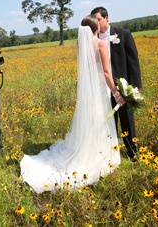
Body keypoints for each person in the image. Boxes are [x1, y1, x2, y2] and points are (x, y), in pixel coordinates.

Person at [20, 15, 122, 193]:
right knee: (99, 122)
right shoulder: (101, 44)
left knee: (90, 121)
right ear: (96, 27)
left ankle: (87, 149)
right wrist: (115, 92)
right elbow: (106, 72)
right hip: (98, 89)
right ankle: (97, 155)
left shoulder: (81, 44)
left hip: (87, 91)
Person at [91, 7, 142, 160]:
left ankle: (133, 153)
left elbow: (133, 62)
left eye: (99, 19)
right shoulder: (93, 40)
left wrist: (135, 87)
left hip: (123, 85)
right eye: (94, 20)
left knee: (127, 119)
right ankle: (109, 153)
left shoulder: (123, 34)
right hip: (103, 87)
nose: (97, 23)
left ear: (107, 18)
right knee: (108, 121)